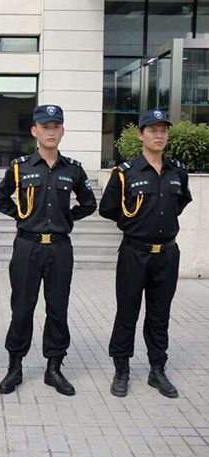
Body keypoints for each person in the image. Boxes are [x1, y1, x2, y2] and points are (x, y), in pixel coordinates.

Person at [0, 105, 97, 396]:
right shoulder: (20, 167)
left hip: (60, 248)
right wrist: (22, 216)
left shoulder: (73, 169)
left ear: (62, 131)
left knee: (57, 309)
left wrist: (66, 219)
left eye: (55, 126)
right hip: (27, 246)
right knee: (22, 308)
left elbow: (89, 204)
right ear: (34, 131)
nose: (50, 132)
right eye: (45, 126)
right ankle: (15, 367)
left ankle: (54, 369)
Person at [99, 109, 192, 399]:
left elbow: (180, 203)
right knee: (127, 312)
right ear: (140, 135)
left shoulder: (177, 171)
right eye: (152, 130)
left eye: (163, 130)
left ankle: (157, 370)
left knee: (159, 315)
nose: (159, 135)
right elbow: (108, 209)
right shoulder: (125, 172)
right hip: (134, 253)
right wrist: (135, 226)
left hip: (166, 254)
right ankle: (121, 370)